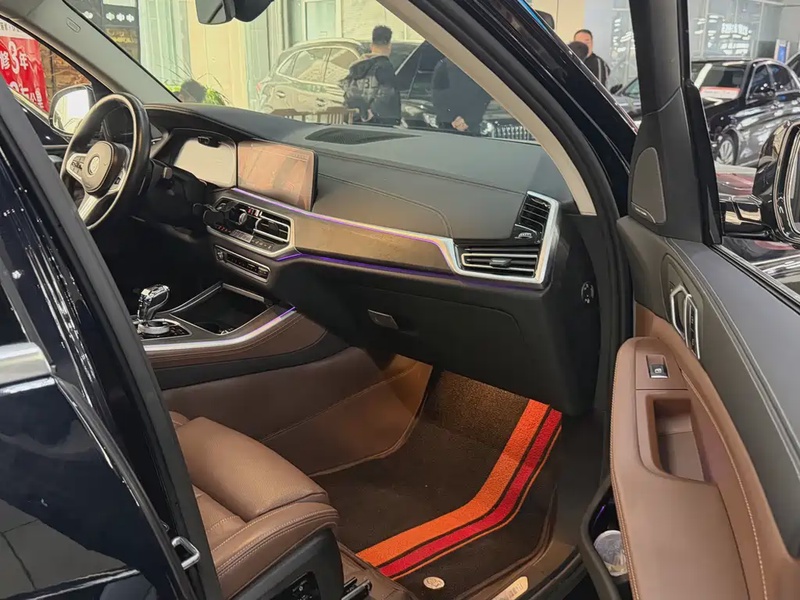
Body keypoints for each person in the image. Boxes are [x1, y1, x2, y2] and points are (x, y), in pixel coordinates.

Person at [341, 25, 401, 125]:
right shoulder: (384, 66)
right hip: (379, 124)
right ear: (389, 46)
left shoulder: (356, 67)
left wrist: (360, 114)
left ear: (371, 46)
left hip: (356, 123)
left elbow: (348, 94)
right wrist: (370, 114)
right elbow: (387, 96)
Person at [431, 57, 492, 134]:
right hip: (447, 125)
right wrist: (451, 118)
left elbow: (484, 95)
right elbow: (437, 95)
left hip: (471, 126)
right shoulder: (443, 66)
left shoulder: (480, 67)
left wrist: (467, 120)